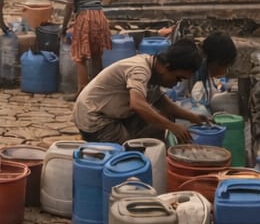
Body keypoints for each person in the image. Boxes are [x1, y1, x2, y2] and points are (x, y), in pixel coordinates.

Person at [72, 38, 207, 145]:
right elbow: (137, 104)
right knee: (131, 152)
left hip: (110, 113)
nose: (175, 84)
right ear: (166, 67)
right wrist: (172, 127)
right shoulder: (140, 70)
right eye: (178, 78)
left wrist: (193, 117)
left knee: (161, 124)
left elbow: (165, 105)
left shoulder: (154, 70)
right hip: (93, 118)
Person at [63, 0, 112, 92]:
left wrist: (63, 27)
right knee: (96, 55)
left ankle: (82, 92)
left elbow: (68, 8)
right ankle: (98, 91)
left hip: (85, 20)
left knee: (80, 57)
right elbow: (97, 3)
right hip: (100, 19)